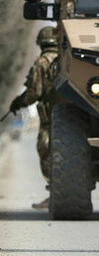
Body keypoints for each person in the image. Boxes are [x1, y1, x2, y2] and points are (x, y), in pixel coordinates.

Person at [9, 26, 60, 210]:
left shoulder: (42, 62)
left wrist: (18, 103)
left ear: (42, 43)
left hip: (50, 117)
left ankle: (55, 195)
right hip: (71, 116)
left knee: (46, 151)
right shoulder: (66, 59)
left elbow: (34, 92)